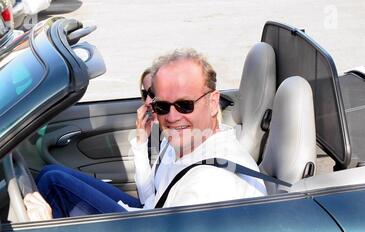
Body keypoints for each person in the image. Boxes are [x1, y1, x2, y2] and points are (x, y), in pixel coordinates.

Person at [24, 49, 267, 221]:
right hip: (153, 217)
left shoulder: (209, 183)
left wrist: (47, 229)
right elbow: (151, 198)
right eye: (162, 106)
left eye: (185, 105)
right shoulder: (185, 142)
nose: (171, 117)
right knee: (51, 175)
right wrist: (141, 142)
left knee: (52, 187)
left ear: (213, 103)